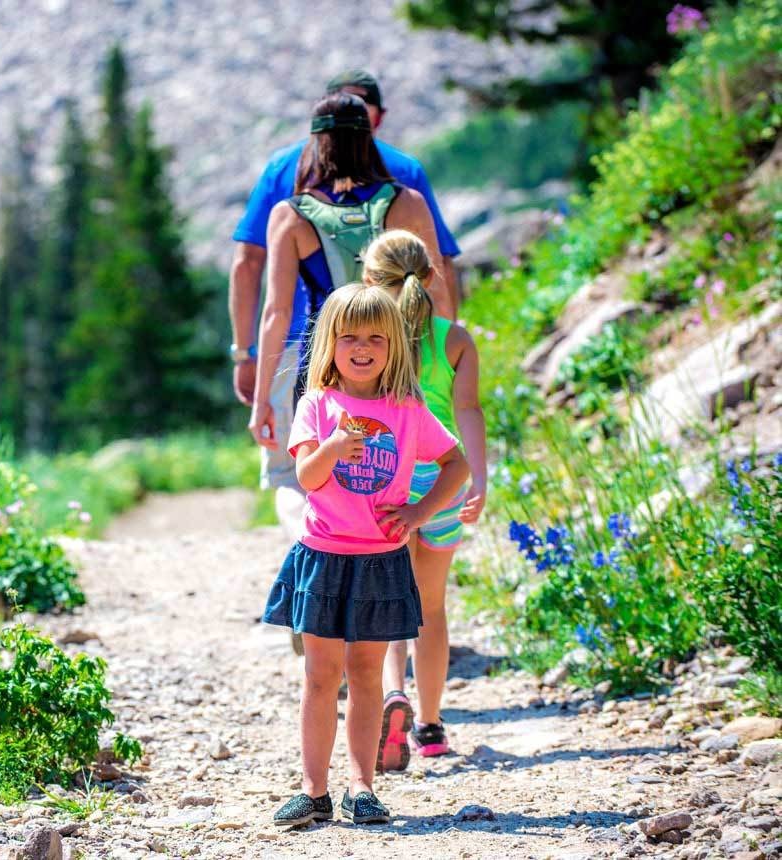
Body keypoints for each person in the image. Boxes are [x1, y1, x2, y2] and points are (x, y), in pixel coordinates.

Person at [261, 282, 469, 827]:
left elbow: (457, 464)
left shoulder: (406, 409)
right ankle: (313, 790)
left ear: (394, 346)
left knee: (367, 674)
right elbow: (308, 476)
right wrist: (332, 446)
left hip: (381, 559)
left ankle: (361, 787)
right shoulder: (317, 404)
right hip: (324, 556)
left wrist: (419, 514)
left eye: (376, 337)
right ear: (329, 342)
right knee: (320, 676)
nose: (362, 346)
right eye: (349, 335)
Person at [231, 70, 460, 538]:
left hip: (318, 363)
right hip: (396, 359)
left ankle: (316, 551)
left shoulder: (290, 216)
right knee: (387, 469)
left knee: (295, 478)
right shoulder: (406, 201)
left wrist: (261, 401)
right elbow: (438, 289)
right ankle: (378, 554)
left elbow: (275, 312)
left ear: (317, 144)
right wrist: (443, 362)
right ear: (370, 137)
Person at [361, 229, 488, 771]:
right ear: (432, 276)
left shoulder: (367, 343)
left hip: (386, 484)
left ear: (369, 281)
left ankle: (393, 693)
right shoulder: (454, 339)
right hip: (442, 483)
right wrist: (477, 479)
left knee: (389, 604)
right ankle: (430, 726)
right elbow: (469, 414)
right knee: (431, 609)